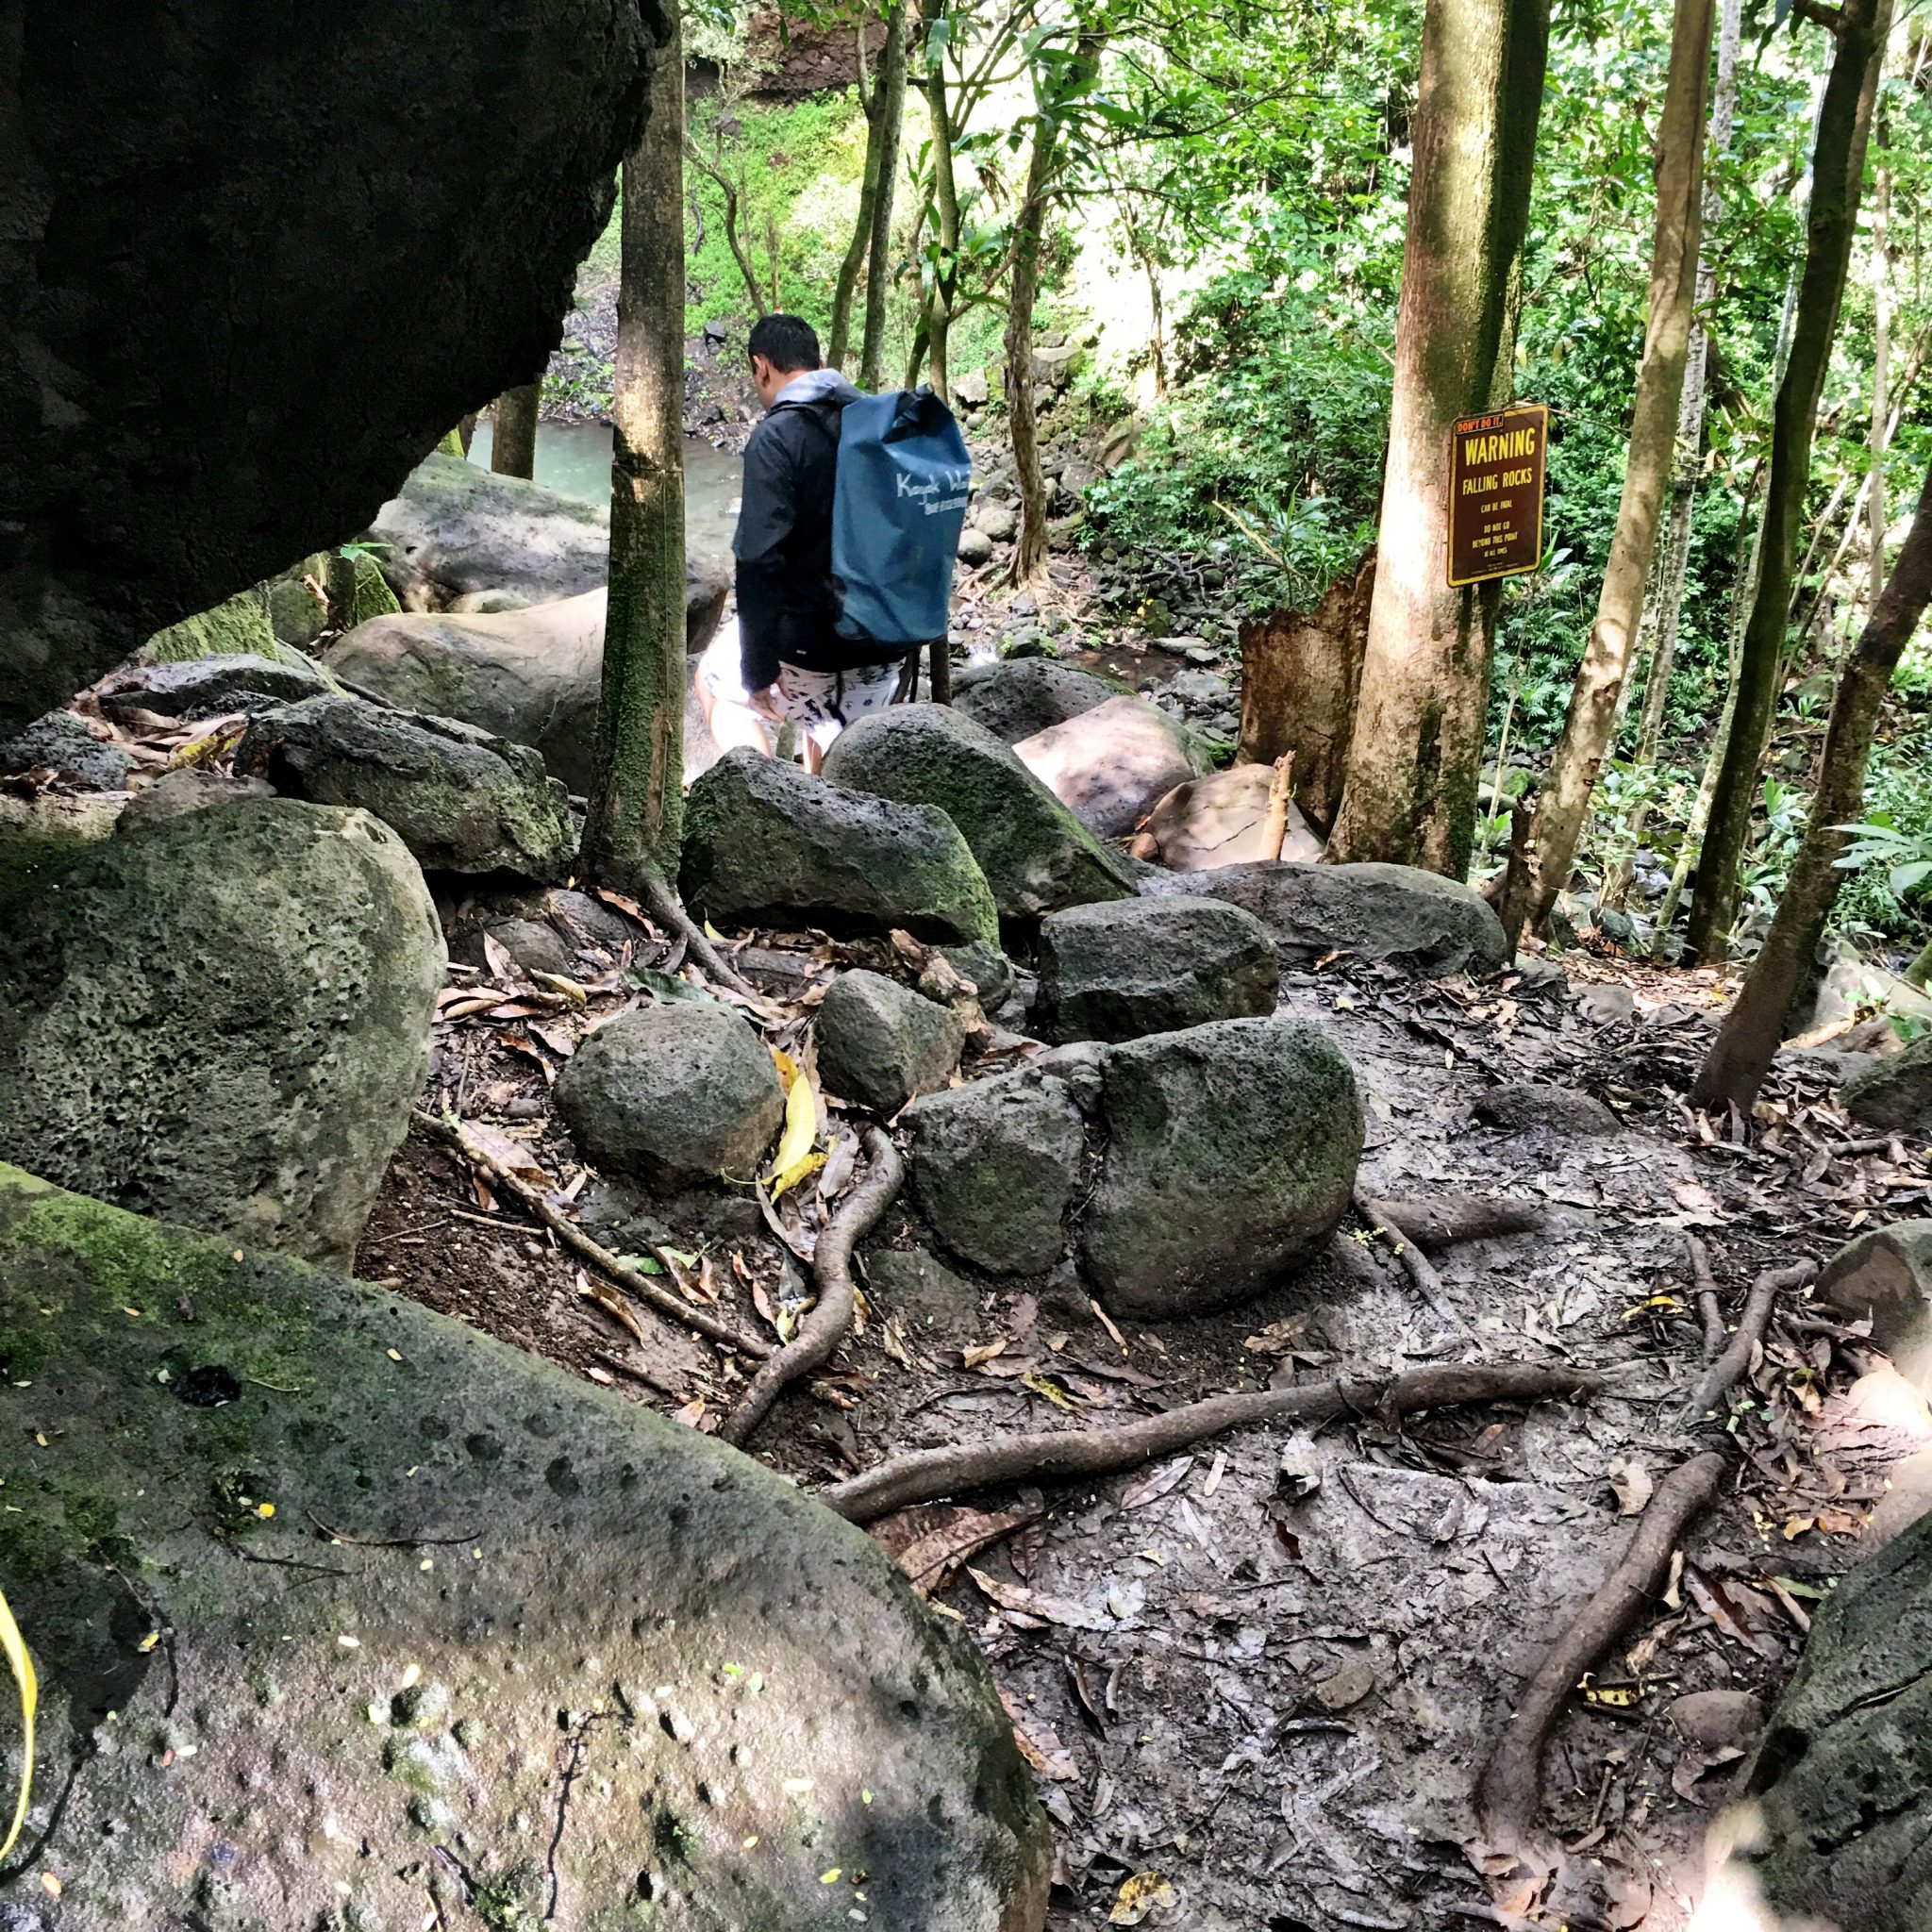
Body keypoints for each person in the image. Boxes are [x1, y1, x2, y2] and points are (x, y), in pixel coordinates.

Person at [700, 314, 915, 770]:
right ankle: (817, 793)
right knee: (829, 728)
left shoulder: (777, 437)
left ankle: (766, 797)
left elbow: (758, 560)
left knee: (712, 679)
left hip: (811, 662)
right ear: (819, 364)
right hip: (886, 651)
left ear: (761, 367)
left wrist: (757, 669)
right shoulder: (879, 426)